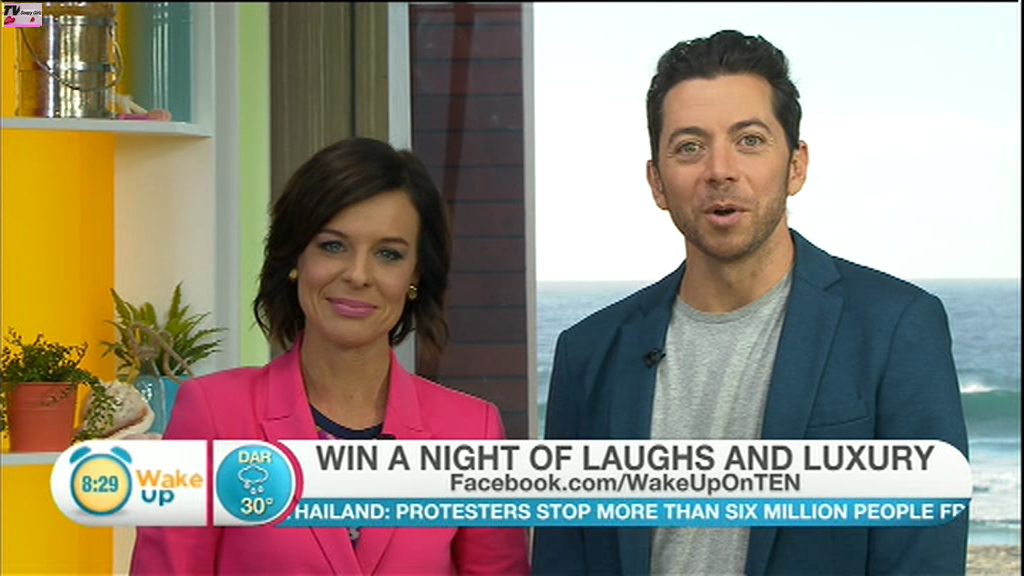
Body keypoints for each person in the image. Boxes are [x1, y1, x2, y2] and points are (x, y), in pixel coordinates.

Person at [532, 30, 969, 576]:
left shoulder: (896, 329)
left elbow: (923, 558)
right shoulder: (588, 354)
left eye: (750, 140)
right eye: (689, 147)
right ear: (657, 182)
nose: (720, 169)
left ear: (796, 166)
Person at [131, 137, 531, 575]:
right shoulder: (213, 415)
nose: (358, 275)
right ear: (295, 258)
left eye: (388, 254)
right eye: (333, 246)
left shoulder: (472, 432)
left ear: (415, 274)